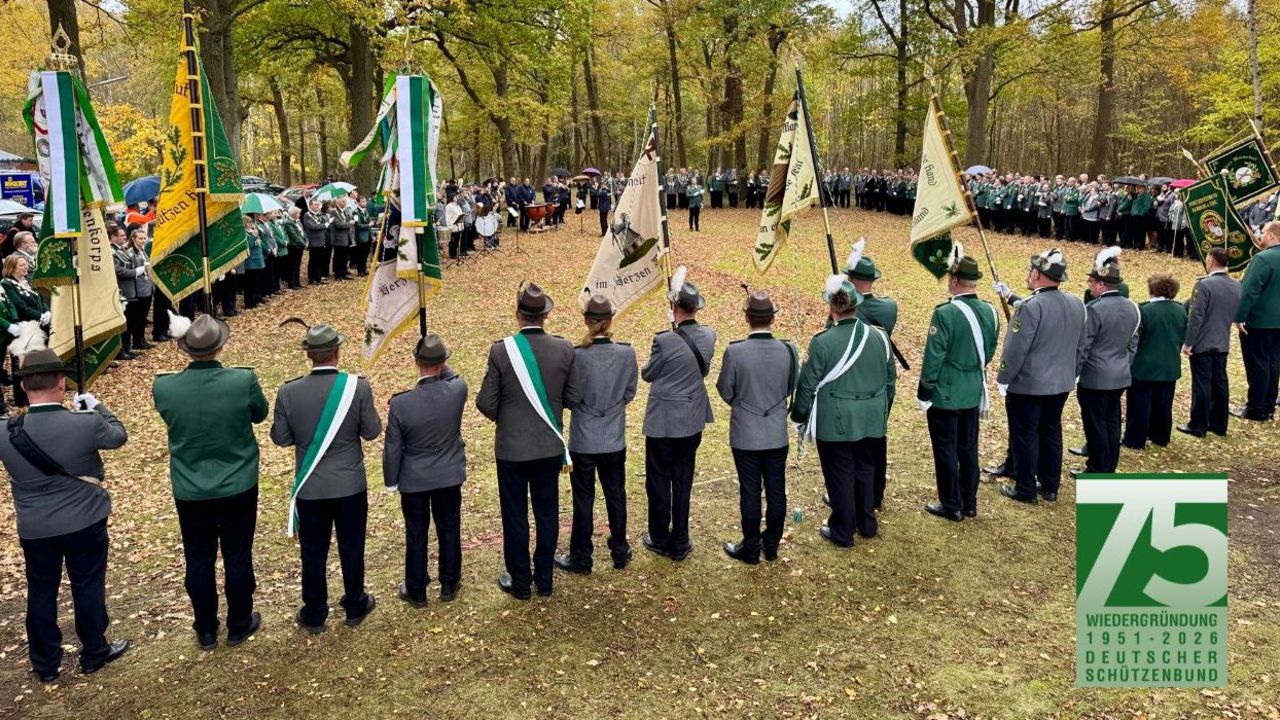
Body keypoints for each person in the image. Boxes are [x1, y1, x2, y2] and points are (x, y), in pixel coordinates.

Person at [0, 349, 130, 682]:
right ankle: (94, 652)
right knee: (87, 586)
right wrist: (97, 406)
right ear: (61, 384)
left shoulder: (5, 431)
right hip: (84, 520)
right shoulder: (85, 423)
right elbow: (118, 435)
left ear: (24, 387)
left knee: (41, 591)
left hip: (35, 527)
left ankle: (45, 664)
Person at [153, 316, 268, 650]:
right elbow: (260, 413)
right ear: (219, 347)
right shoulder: (242, 380)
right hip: (237, 483)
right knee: (237, 553)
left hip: (190, 487)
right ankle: (238, 623)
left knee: (199, 558)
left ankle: (206, 627)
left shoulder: (166, 387)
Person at [270, 322, 382, 633]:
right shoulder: (357, 388)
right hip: (349, 485)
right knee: (352, 545)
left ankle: (315, 611)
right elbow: (372, 431)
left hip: (311, 488)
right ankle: (355, 604)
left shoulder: (288, 392)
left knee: (313, 551)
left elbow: (280, 438)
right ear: (337, 352)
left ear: (309, 355)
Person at [476, 284, 580, 599]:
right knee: (547, 514)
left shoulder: (500, 351)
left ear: (517, 314)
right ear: (545, 315)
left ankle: (521, 582)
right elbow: (573, 397)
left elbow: (486, 403)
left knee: (515, 515)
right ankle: (544, 580)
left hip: (512, 449)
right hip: (548, 446)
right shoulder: (565, 349)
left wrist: (509, 418)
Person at [791, 274, 892, 546]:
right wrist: (881, 411)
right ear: (855, 305)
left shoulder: (822, 341)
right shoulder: (880, 337)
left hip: (836, 420)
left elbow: (807, 384)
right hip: (872, 417)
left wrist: (799, 416)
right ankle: (866, 523)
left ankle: (842, 530)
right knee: (865, 470)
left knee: (840, 475)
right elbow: (890, 381)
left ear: (831, 307)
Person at [992, 248, 1086, 504]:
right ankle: (1050, 485)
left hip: (1029, 384)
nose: (1029, 274)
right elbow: (1081, 344)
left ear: (1038, 274)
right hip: (1061, 382)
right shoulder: (1076, 303)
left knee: (1025, 435)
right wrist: (1074, 373)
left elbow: (1015, 349)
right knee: (1051, 432)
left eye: (1031, 270)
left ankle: (1025, 489)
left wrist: (1004, 377)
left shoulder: (1030, 307)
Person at [555, 295, 637, 574]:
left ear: (586, 321)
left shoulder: (577, 355)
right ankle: (619, 551)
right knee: (616, 495)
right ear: (610, 320)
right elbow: (629, 393)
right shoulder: (624, 353)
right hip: (612, 439)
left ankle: (582, 556)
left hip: (584, 440)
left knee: (583, 499)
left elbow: (569, 397)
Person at [384, 334, 467, 607]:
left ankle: (417, 589)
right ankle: (449, 582)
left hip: (414, 478)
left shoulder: (400, 404)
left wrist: (391, 481)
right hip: (448, 474)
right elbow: (452, 375)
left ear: (416, 362)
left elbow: (393, 447)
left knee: (416, 533)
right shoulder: (458, 390)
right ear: (442, 363)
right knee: (449, 527)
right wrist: (439, 358)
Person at [716, 290, 798, 563]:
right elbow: (790, 386)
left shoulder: (735, 351)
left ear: (747, 318)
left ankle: (752, 547)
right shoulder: (787, 350)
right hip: (775, 431)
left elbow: (725, 390)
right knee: (776, 489)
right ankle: (771, 545)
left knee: (750, 491)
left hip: (746, 433)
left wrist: (744, 405)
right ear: (772, 319)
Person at [918, 253, 999, 521]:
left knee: (946, 449)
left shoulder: (945, 313)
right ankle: (970, 502)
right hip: (973, 390)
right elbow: (989, 352)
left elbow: (934, 358)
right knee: (968, 448)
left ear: (954, 281)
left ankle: (952, 504)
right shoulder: (991, 311)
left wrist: (925, 391)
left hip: (946, 393)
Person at [641, 278, 716, 561]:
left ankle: (660, 537)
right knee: (683, 479)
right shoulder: (709, 336)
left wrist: (671, 339)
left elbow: (648, 374)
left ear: (674, 308)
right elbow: (702, 370)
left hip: (663, 421)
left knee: (659, 479)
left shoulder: (664, 340)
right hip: (691, 418)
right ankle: (681, 538)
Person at [1073, 251, 1140, 475]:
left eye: (1092, 282)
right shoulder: (1132, 307)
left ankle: (1097, 468)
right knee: (1112, 422)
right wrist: (1123, 365)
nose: (1090, 286)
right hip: (1119, 374)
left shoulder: (1094, 309)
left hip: (1095, 376)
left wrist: (1075, 372)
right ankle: (1109, 465)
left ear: (1101, 284)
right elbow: (1133, 343)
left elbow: (1084, 346)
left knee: (1095, 424)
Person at [846, 250, 897, 510]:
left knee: (853, 444)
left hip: (854, 382)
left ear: (851, 280)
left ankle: (854, 494)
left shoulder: (848, 309)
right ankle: (876, 493)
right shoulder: (888, 307)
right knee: (877, 440)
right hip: (880, 379)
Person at [1179, 248, 1242, 437]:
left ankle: (1198, 425)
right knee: (1220, 383)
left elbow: (1196, 316)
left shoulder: (1204, 285)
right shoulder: (1236, 285)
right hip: (1222, 340)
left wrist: (1188, 343)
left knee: (1202, 384)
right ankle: (1219, 424)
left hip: (1203, 341)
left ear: (1211, 261)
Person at [1123, 274, 1187, 449]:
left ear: (1152, 289)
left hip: (1144, 365)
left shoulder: (1144, 310)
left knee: (1139, 403)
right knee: (1164, 403)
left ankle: (1135, 439)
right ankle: (1160, 436)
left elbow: (1136, 338)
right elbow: (1183, 335)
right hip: (1169, 364)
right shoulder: (1180, 310)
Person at [1232, 220, 1280, 421]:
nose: (1260, 236)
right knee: (1273, 363)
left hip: (1260, 321)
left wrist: (1239, 316)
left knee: (1257, 364)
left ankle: (1256, 408)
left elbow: (1249, 291)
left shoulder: (1262, 259)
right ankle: (1268, 406)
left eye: (1263, 233)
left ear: (1272, 236)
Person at [2, 253, 51, 404]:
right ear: (12, 268)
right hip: (23, 326)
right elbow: (19, 305)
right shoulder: (7, 283)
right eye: (21, 265)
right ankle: (22, 398)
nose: (25, 267)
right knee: (22, 363)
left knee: (37, 361)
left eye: (25, 264)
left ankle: (38, 393)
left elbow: (40, 297)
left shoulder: (28, 280)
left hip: (39, 325)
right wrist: (39, 315)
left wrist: (46, 312)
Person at [328, 196, 354, 281]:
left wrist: (351, 220)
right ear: (338, 203)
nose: (345, 203)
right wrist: (349, 223)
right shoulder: (334, 212)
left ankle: (344, 273)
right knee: (339, 257)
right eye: (343, 201)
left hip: (347, 237)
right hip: (339, 238)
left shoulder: (345, 211)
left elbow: (350, 219)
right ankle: (338, 275)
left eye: (345, 201)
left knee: (345, 257)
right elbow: (338, 224)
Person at [351, 195, 373, 276]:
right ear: (358, 202)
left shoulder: (365, 211)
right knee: (360, 255)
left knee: (366, 254)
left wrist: (371, 235)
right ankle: (360, 271)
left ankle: (364, 269)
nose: (365, 203)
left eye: (365, 201)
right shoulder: (356, 212)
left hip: (368, 236)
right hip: (360, 237)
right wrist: (368, 225)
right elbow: (358, 225)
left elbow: (368, 221)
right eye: (363, 201)